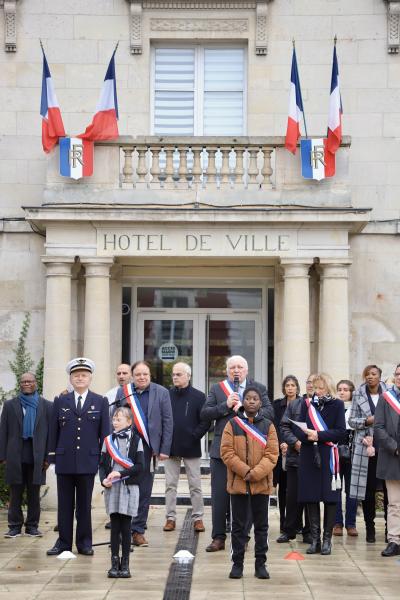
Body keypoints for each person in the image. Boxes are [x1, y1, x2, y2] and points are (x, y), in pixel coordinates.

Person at [201, 355, 273, 552]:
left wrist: (249, 408)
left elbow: (269, 413)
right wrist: (225, 406)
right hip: (222, 452)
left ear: (246, 371)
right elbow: (205, 414)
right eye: (232, 367)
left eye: (240, 367)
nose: (236, 370)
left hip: (250, 452)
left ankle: (243, 536)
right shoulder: (217, 389)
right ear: (227, 371)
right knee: (220, 496)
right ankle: (218, 537)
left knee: (246, 495)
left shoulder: (258, 388)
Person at [46, 357, 110, 556]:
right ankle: (63, 543)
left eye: (84, 375)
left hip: (88, 461)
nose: (80, 378)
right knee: (64, 506)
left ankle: (84, 543)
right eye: (76, 375)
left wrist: (103, 461)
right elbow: (53, 432)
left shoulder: (100, 401)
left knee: (84, 506)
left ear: (90, 378)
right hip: (64, 461)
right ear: (71, 379)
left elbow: (105, 434)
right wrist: (51, 459)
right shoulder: (60, 401)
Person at [220, 386, 279, 579]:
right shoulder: (232, 424)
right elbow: (226, 452)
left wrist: (256, 473)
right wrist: (245, 471)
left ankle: (260, 564)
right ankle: (237, 564)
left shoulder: (268, 425)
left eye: (255, 398)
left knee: (261, 527)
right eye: (248, 398)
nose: (252, 401)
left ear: (260, 402)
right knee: (237, 526)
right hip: (238, 484)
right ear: (242, 402)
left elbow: (272, 455)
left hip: (260, 485)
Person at [116, 360, 173, 547]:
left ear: (150, 375)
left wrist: (164, 449)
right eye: (138, 374)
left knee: (144, 490)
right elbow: (115, 418)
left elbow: (168, 421)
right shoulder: (124, 392)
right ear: (132, 375)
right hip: (125, 447)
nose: (142, 377)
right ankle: (122, 529)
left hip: (148, 449)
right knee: (123, 488)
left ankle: (138, 530)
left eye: (145, 374)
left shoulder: (161, 392)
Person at [296, 373, 346, 555]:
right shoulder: (307, 404)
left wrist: (319, 435)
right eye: (314, 387)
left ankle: (327, 540)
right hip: (309, 453)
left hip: (328, 455)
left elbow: (341, 432)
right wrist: (307, 435)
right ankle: (315, 540)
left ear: (328, 387)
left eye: (320, 387)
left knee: (330, 497)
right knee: (311, 495)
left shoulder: (337, 405)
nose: (316, 391)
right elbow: (299, 430)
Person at [0, 372, 52, 538]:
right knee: (15, 493)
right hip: (15, 455)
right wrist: (2, 456)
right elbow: (3, 432)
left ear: (35, 383)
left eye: (30, 381)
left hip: (37, 457)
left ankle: (32, 527)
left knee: (33, 494)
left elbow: (50, 434)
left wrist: (48, 457)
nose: (27, 384)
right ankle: (14, 526)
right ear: (20, 384)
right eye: (24, 381)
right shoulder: (9, 405)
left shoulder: (46, 406)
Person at [163, 362, 209, 533]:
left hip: (191, 446)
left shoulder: (199, 396)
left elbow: (205, 421)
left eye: (178, 374)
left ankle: (198, 518)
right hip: (171, 447)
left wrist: (194, 436)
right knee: (170, 485)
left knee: (195, 485)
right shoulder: (166, 395)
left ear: (188, 376)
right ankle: (170, 518)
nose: (175, 377)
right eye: (173, 374)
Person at [99, 406, 144, 577]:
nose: (115, 421)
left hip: (129, 487)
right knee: (114, 526)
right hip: (113, 489)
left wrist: (121, 473)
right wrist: (104, 481)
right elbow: (102, 465)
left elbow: (140, 467)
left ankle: (126, 563)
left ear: (129, 422)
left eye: (119, 419)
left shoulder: (137, 440)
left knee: (126, 526)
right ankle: (114, 562)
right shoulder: (107, 440)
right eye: (114, 419)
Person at [349, 364, 388, 543]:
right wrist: (367, 420)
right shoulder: (358, 394)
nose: (370, 377)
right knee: (368, 490)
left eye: (374, 374)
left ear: (380, 376)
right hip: (366, 447)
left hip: (386, 448)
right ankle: (370, 529)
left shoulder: (390, 394)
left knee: (388, 490)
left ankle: (390, 530)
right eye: (367, 374)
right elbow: (351, 421)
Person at [277, 375, 311, 544]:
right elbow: (284, 426)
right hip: (294, 457)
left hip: (314, 458)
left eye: (316, 384)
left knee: (310, 496)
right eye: (309, 382)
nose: (312, 386)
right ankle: (289, 530)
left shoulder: (324, 406)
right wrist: (294, 442)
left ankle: (309, 531)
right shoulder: (295, 405)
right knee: (291, 496)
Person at [374, 364, 400, 557]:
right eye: (398, 374)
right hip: (393, 457)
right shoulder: (386, 398)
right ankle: (394, 540)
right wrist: (395, 447)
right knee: (394, 503)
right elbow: (378, 427)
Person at [333, 379, 358, 537]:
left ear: (351, 392)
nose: (342, 392)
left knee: (352, 490)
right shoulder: (333, 407)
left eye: (345, 389)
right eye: (340, 389)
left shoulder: (356, 409)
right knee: (335, 488)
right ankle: (337, 523)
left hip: (352, 453)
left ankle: (351, 524)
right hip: (335, 452)